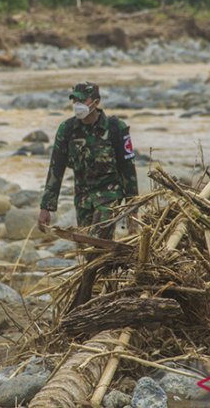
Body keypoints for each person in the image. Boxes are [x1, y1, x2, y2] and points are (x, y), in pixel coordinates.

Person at [38, 81, 138, 308]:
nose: (77, 105)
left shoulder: (116, 129)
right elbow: (56, 168)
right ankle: (103, 294)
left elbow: (128, 171)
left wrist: (133, 210)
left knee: (97, 240)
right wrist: (46, 207)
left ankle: (84, 300)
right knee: (89, 253)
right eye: (74, 100)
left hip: (110, 197)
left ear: (95, 103)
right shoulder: (67, 130)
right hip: (83, 199)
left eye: (81, 100)